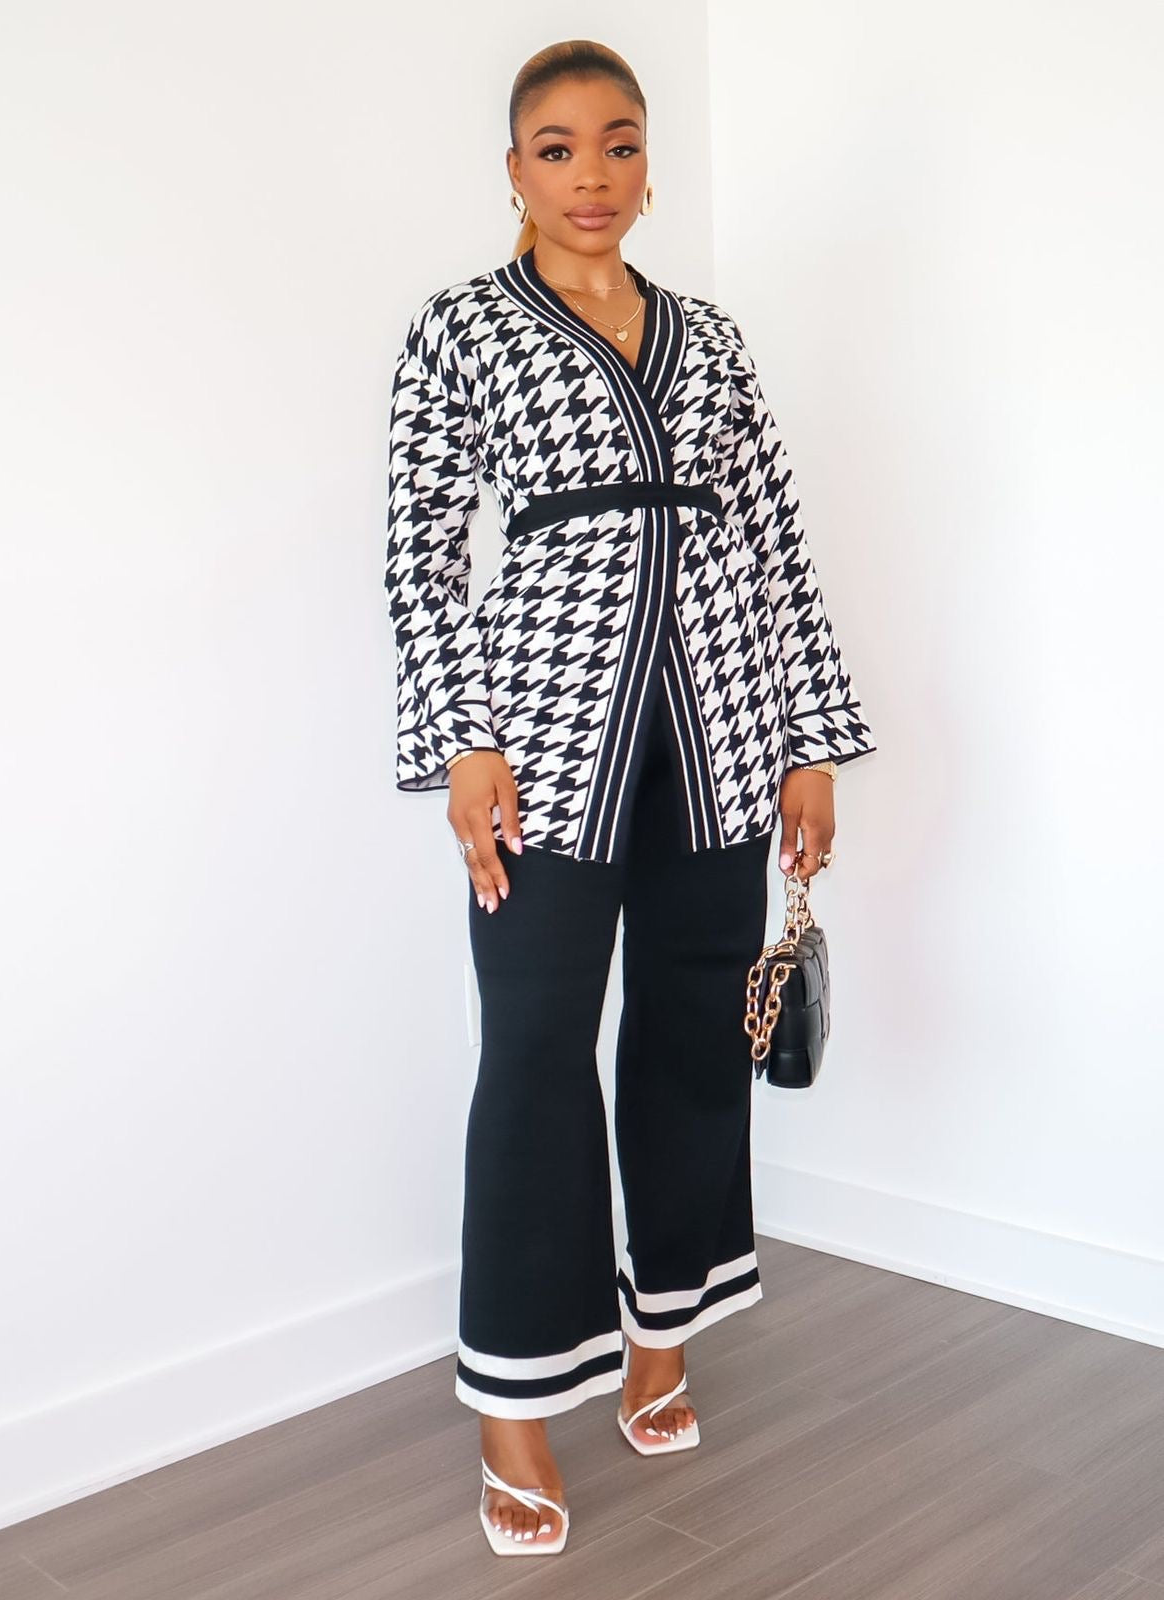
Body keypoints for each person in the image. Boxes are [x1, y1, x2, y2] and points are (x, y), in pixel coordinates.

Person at [383, 39, 877, 1558]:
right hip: (543, 734)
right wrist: (464, 741)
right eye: (556, 148)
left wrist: (807, 741)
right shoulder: (462, 330)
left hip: (718, 725)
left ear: (651, 168)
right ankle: (518, 1401)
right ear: (513, 171)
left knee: (690, 1028)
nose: (590, 175)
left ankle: (662, 1326)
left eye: (618, 144)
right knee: (535, 1046)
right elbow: (423, 547)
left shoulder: (712, 340)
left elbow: (773, 540)